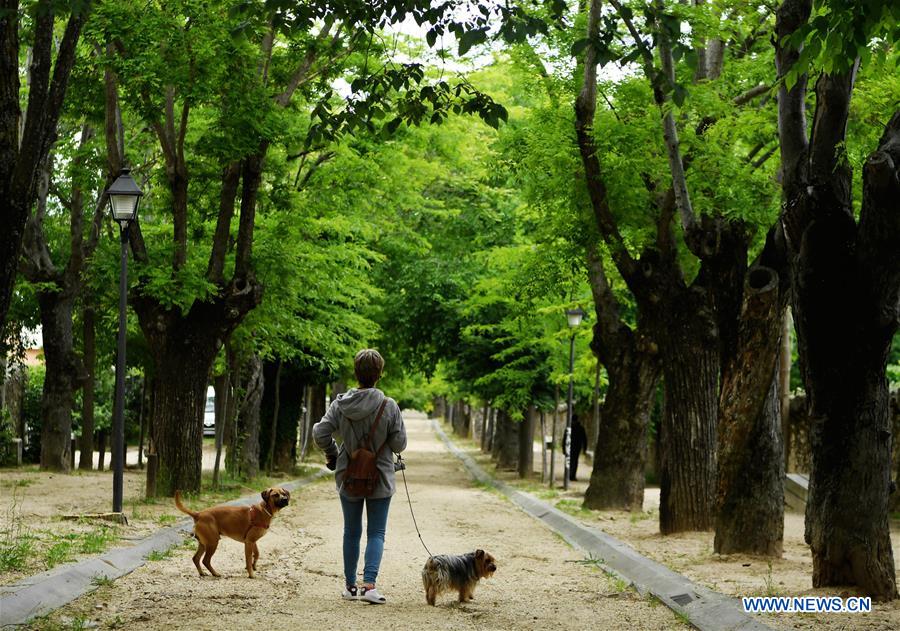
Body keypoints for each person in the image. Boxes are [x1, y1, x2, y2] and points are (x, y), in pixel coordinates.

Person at [313, 349, 407, 604]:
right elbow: (399, 445)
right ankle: (369, 586)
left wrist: (334, 453)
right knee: (376, 532)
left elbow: (320, 433)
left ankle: (350, 587)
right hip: (381, 476)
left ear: (356, 373)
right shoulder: (389, 406)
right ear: (380, 375)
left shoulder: (340, 404)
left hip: (349, 475)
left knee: (351, 531)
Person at [568, 412, 588, 482]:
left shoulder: (569, 427)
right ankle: (572, 475)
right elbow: (584, 439)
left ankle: (570, 475)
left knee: (570, 461)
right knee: (574, 461)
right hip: (576, 447)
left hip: (571, 447)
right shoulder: (580, 428)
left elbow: (565, 438)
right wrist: (584, 448)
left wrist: (564, 448)